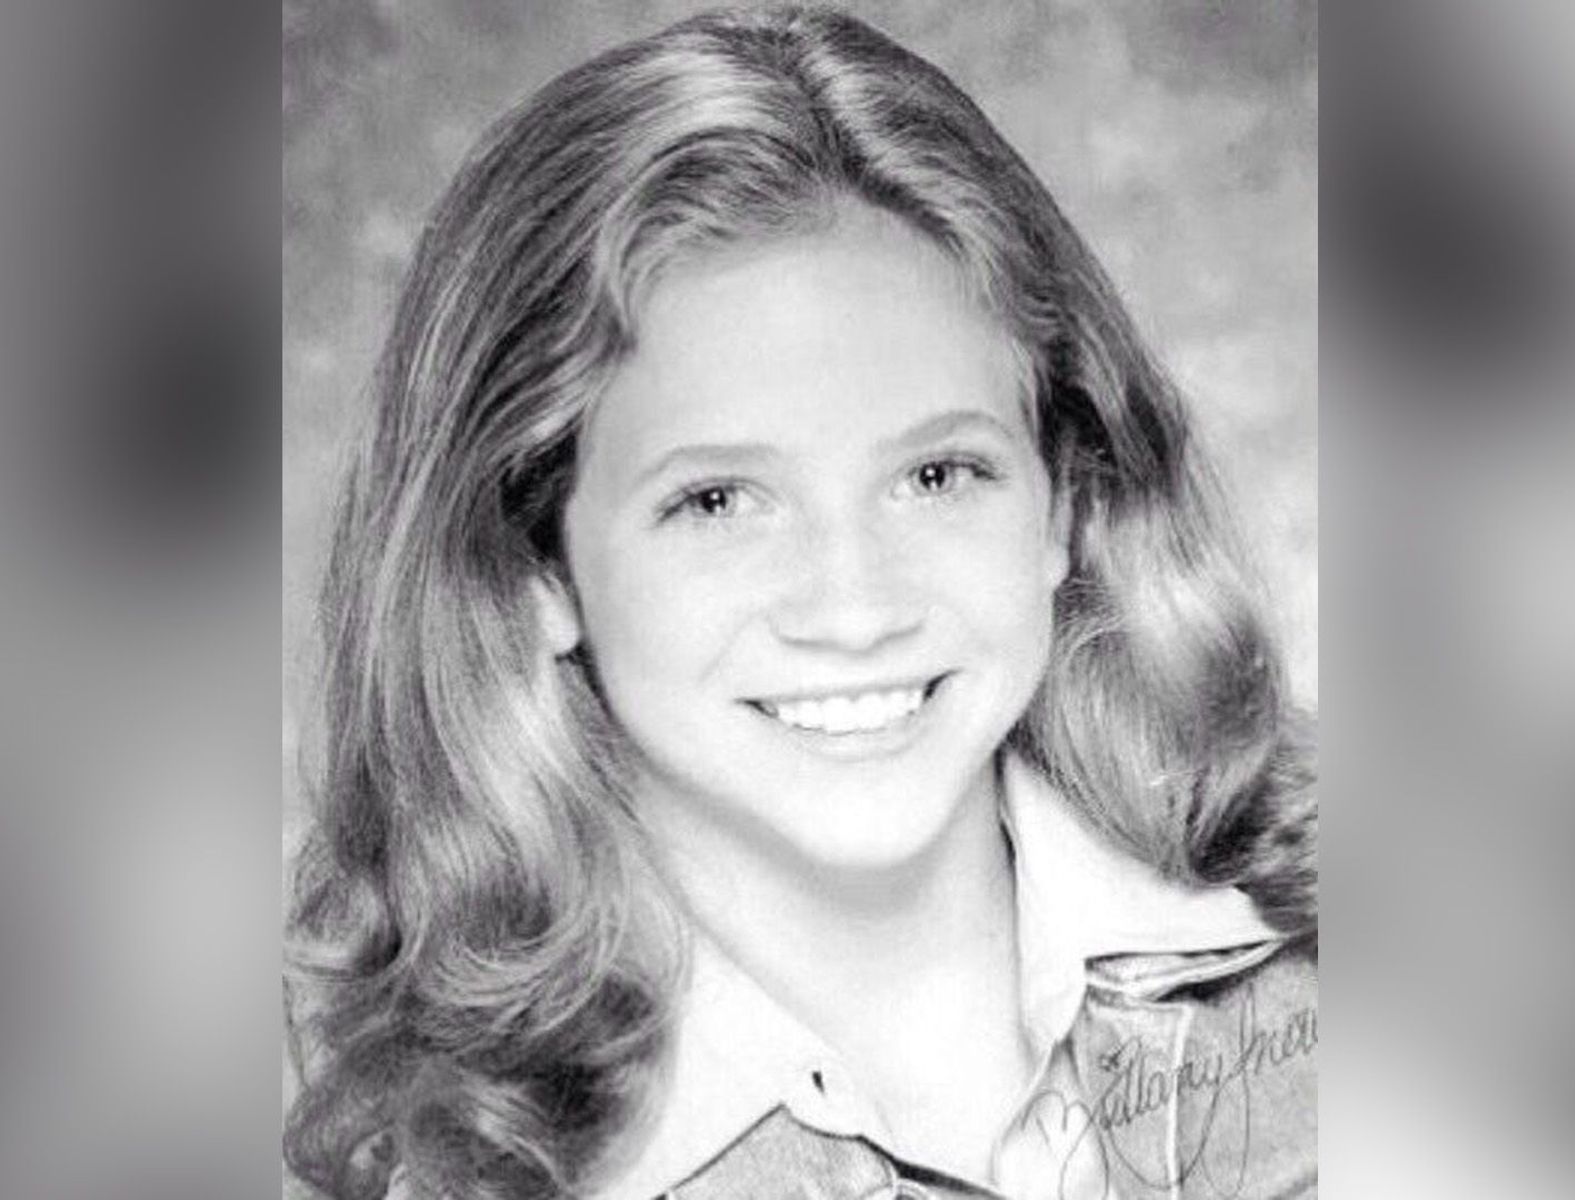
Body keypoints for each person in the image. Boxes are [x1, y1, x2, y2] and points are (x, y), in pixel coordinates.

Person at [283, 7, 1316, 1199]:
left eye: (937, 476)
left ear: (1062, 503)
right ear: (535, 571)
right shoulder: (445, 1168)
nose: (855, 608)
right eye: (719, 501)